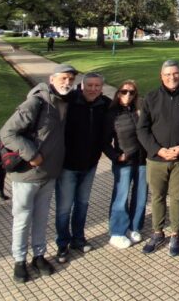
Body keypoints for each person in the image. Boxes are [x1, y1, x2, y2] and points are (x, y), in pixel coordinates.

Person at [0, 63, 78, 283]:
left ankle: (39, 255)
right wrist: (32, 154)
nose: (67, 83)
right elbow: (7, 133)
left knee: (42, 218)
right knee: (23, 218)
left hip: (49, 173)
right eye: (63, 78)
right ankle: (19, 260)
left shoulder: (65, 101)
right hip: (27, 173)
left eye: (71, 80)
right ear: (51, 79)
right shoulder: (37, 102)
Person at [136, 60, 179, 257]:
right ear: (161, 77)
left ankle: (176, 233)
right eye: (167, 75)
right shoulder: (151, 97)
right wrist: (158, 150)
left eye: (175, 73)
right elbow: (142, 128)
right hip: (156, 159)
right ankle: (157, 232)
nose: (172, 77)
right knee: (156, 197)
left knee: (177, 197)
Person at [55, 72, 110, 263]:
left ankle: (78, 238)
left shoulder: (104, 104)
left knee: (82, 204)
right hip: (68, 165)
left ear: (101, 88)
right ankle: (62, 244)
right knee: (64, 207)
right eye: (90, 85)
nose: (93, 89)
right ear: (82, 86)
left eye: (97, 86)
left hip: (90, 164)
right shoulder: (70, 102)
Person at [104, 80, 147, 250]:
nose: (128, 95)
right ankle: (117, 231)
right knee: (121, 196)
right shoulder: (112, 114)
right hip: (124, 161)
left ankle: (135, 226)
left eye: (132, 92)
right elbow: (104, 141)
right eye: (124, 91)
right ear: (118, 93)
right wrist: (116, 156)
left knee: (141, 195)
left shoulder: (139, 111)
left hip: (143, 159)